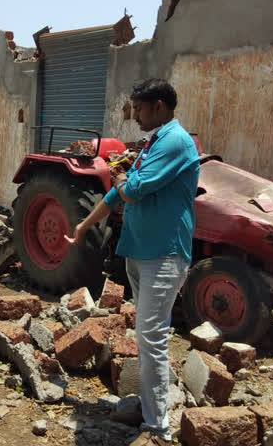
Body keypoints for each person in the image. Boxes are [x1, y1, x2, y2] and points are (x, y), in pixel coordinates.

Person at [67, 79, 199, 446]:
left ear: (158, 106)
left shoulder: (174, 141)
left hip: (163, 254)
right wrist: (84, 225)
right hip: (142, 252)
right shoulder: (154, 142)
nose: (134, 114)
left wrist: (122, 177)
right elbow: (115, 194)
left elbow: (132, 189)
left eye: (138, 108)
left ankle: (158, 429)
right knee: (145, 337)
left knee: (152, 339)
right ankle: (150, 406)